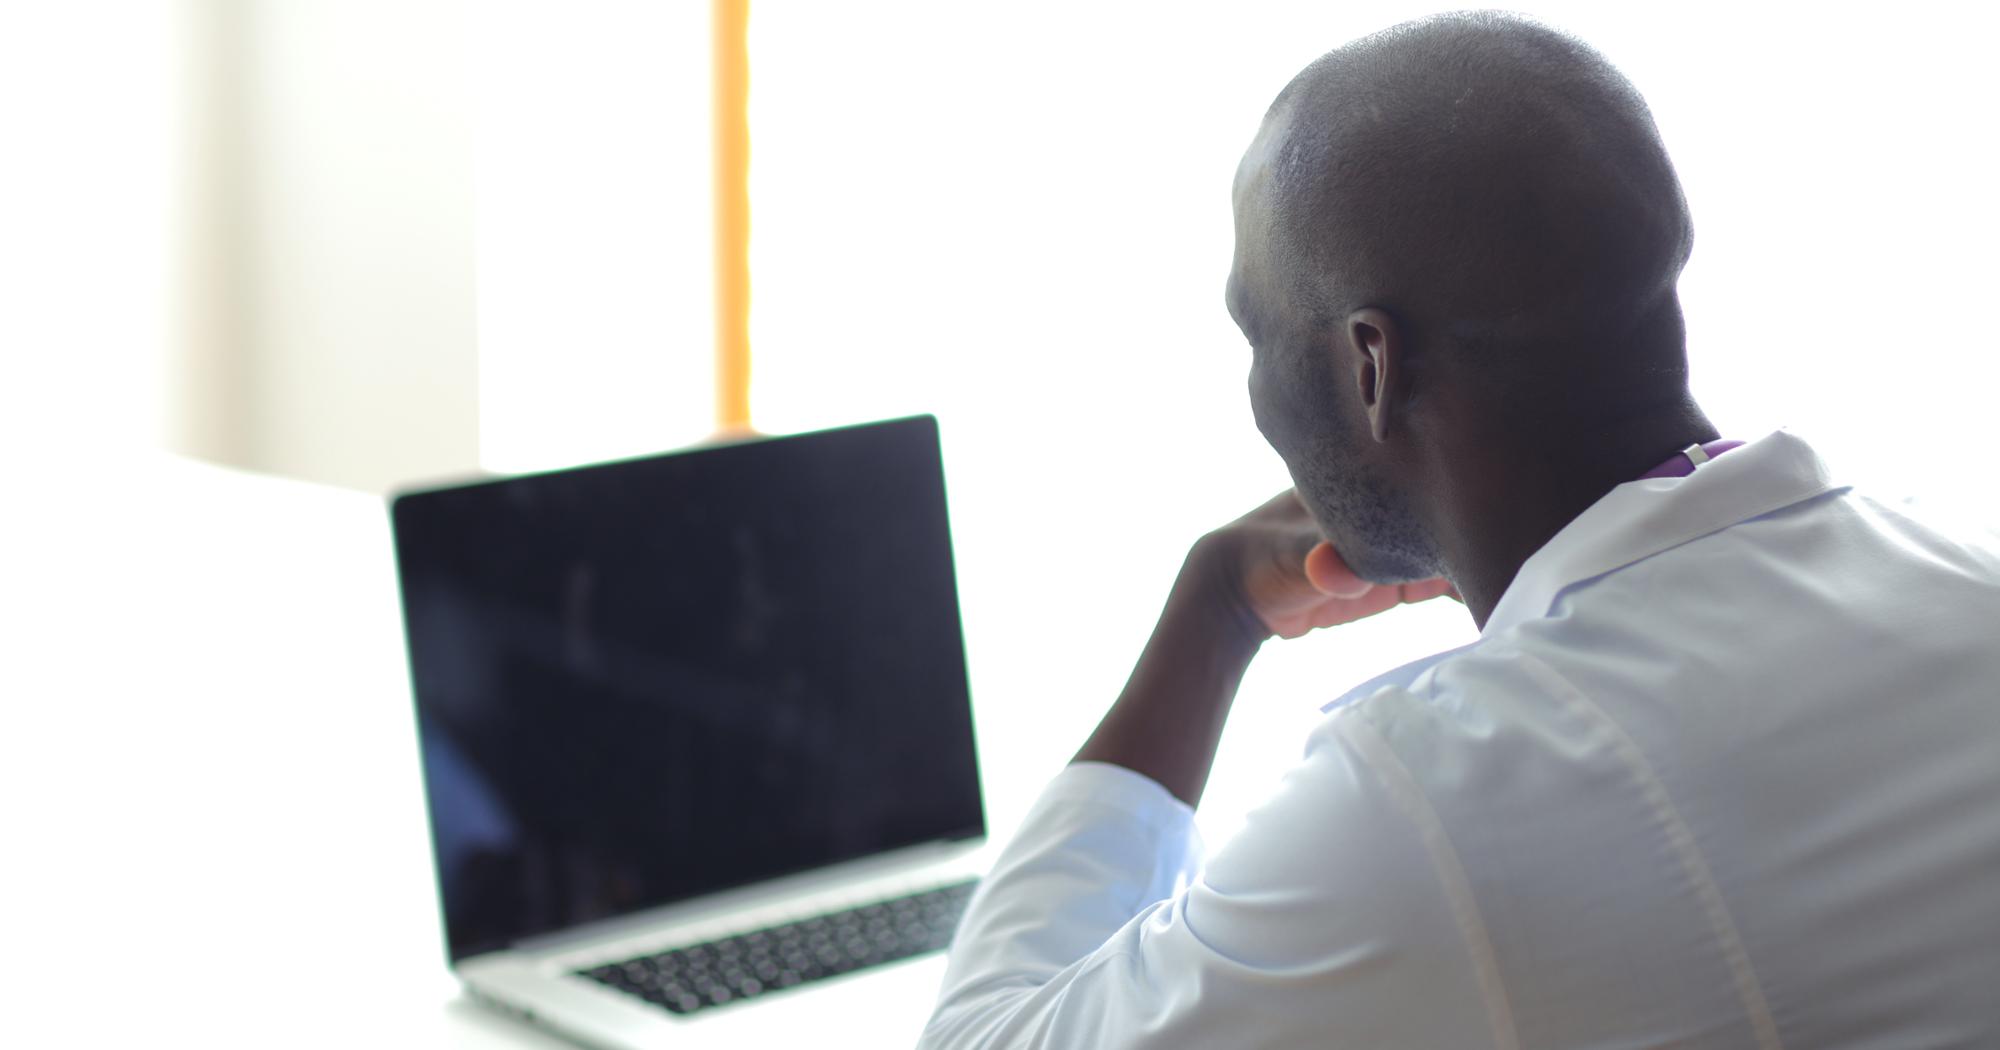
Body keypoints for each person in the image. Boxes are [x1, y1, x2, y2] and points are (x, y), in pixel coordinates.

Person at [918, 10, 2000, 1048]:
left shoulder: (1432, 811)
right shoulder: (1960, 578)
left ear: (1370, 368)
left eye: (1253, 331)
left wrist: (1211, 617)